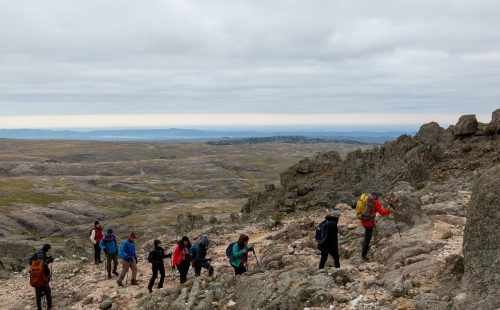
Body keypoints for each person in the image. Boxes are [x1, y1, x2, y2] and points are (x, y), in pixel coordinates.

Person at [361, 192, 392, 261]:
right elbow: (382, 212)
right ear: (377, 197)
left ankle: (365, 247)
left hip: (363, 221)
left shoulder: (366, 200)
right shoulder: (376, 203)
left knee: (367, 236)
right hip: (369, 223)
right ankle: (363, 256)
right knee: (367, 239)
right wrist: (390, 210)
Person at [29, 244, 54, 310]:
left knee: (38, 296)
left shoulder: (37, 256)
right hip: (43, 281)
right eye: (48, 249)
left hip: (35, 280)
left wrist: (47, 259)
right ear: (46, 248)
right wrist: (49, 261)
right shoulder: (42, 255)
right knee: (48, 292)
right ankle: (49, 307)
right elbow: (45, 269)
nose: (48, 250)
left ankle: (39, 308)